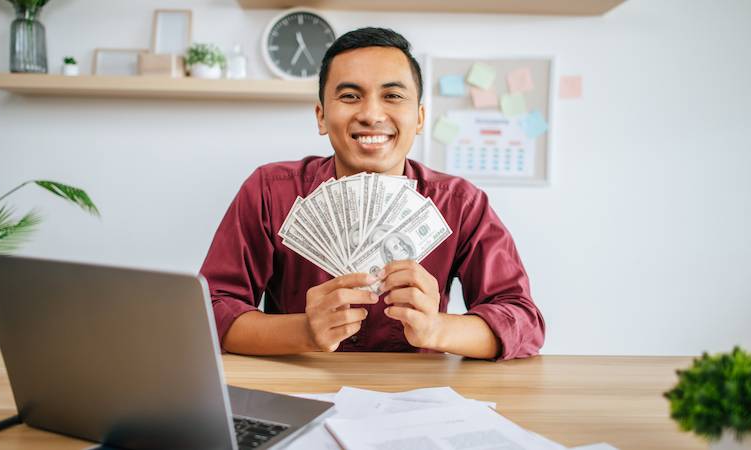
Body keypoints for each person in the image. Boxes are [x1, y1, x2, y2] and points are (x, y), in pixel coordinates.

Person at [200, 27, 544, 360]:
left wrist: (437, 329)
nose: (371, 114)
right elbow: (211, 310)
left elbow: (522, 321)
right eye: (350, 96)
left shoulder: (461, 204)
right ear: (321, 116)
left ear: (420, 117)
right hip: (301, 387)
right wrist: (304, 331)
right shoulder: (269, 191)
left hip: (417, 397)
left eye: (392, 96)